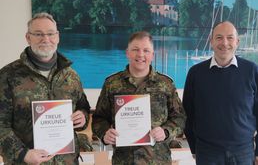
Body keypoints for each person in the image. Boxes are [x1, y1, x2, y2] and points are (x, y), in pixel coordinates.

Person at [0, 12, 91, 164]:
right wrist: (22, 154)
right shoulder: (8, 76)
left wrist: (82, 117)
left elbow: (83, 107)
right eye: (38, 34)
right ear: (28, 37)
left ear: (58, 37)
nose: (45, 39)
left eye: (50, 34)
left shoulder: (71, 75)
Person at [92, 31, 185, 164]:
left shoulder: (165, 84)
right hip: (123, 161)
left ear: (152, 55)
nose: (140, 54)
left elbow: (180, 117)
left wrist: (166, 131)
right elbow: (99, 118)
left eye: (146, 50)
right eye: (135, 49)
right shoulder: (112, 84)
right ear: (127, 53)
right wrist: (104, 133)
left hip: (158, 161)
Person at [183, 21, 258, 165]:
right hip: (207, 153)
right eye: (219, 37)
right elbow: (187, 115)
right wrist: (194, 148)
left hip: (243, 152)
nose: (224, 43)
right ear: (211, 41)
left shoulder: (252, 71)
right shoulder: (196, 73)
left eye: (230, 37)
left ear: (237, 42)